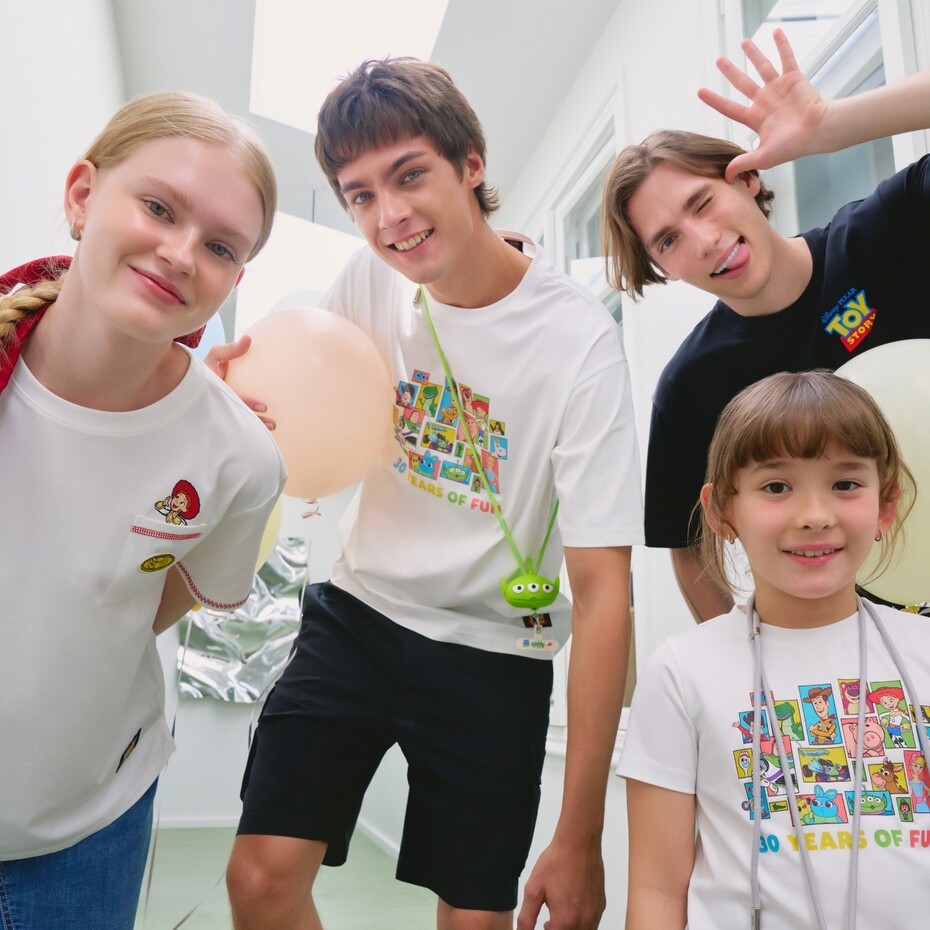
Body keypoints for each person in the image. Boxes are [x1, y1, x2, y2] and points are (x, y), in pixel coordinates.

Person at [217, 57, 642, 930]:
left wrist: (581, 834)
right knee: (258, 878)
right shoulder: (369, 281)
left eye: (409, 175)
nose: (390, 216)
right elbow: (305, 404)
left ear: (470, 164)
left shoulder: (578, 341)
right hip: (359, 615)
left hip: (497, 648)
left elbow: (605, 592)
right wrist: (232, 402)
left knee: (475, 920)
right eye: (361, 195)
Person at [0, 92, 286, 929]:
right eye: (159, 208)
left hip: (85, 834)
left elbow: (156, 603)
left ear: (236, 278)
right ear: (82, 195)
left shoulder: (239, 457)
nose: (181, 253)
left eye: (222, 246)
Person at [601, 28, 930, 621]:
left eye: (702, 203)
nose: (704, 241)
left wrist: (833, 125)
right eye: (669, 241)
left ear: (746, 178)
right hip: (858, 642)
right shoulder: (692, 383)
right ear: (663, 268)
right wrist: (744, 657)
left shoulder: (885, 233)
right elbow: (687, 547)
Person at [617, 369, 930, 929]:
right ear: (723, 511)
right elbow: (658, 889)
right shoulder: (682, 671)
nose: (815, 515)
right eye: (777, 487)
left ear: (886, 505)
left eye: (845, 484)